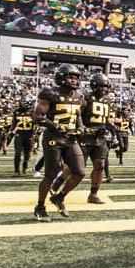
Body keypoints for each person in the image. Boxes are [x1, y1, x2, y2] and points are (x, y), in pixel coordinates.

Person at [32, 64, 86, 221]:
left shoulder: (78, 96)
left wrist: (81, 127)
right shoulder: (50, 93)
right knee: (50, 173)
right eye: (70, 76)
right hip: (53, 138)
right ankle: (40, 207)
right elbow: (37, 117)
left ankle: (59, 197)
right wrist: (55, 126)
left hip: (70, 138)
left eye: (76, 77)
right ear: (61, 77)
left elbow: (77, 116)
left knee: (80, 172)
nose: (73, 80)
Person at [78, 72, 114, 204]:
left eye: (105, 86)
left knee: (100, 165)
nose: (103, 89)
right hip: (85, 136)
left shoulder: (107, 100)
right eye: (100, 86)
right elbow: (77, 116)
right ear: (93, 85)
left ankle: (93, 194)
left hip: (100, 137)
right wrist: (82, 128)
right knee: (77, 168)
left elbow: (105, 118)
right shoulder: (85, 98)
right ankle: (59, 183)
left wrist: (111, 125)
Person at [12, 101, 36, 175]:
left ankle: (25, 166)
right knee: (17, 152)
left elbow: (37, 122)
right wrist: (12, 130)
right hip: (19, 134)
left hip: (29, 134)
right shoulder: (16, 112)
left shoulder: (32, 111)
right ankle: (16, 170)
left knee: (27, 153)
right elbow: (14, 123)